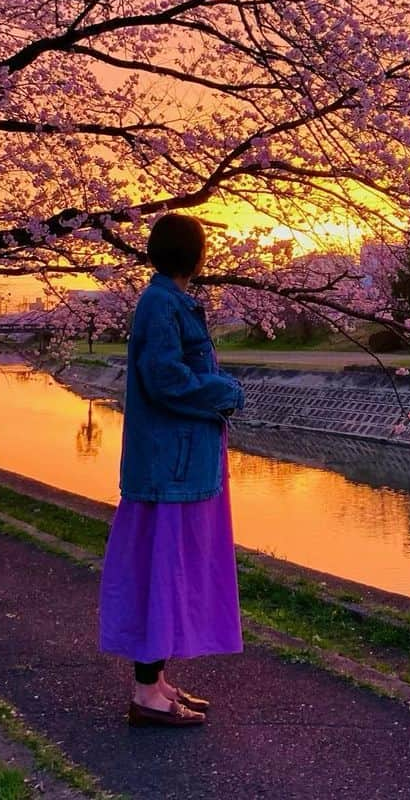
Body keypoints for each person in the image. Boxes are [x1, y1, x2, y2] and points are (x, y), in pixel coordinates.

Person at [98, 213, 245, 727]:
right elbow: (164, 377)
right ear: (197, 255)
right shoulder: (161, 302)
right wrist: (226, 393)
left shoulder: (167, 301)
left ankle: (155, 681)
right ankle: (146, 694)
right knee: (162, 572)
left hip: (178, 465)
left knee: (170, 570)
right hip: (171, 470)